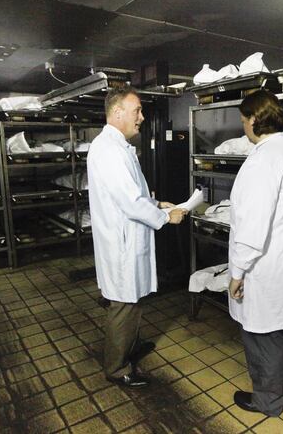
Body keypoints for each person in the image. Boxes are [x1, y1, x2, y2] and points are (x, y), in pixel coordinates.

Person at [87, 85, 188, 388]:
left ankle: (129, 346)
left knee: (133, 300)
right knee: (124, 304)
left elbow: (132, 193)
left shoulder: (117, 147)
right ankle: (117, 367)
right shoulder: (109, 150)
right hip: (121, 243)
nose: (142, 117)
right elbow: (130, 202)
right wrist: (165, 216)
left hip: (126, 236)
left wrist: (157, 203)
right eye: (137, 111)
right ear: (117, 113)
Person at [227, 90, 283, 416]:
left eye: (243, 120)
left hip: (266, 268)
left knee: (262, 338)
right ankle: (271, 396)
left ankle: (267, 401)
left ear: (254, 119)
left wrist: (237, 273)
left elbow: (252, 227)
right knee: (274, 335)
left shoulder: (263, 159)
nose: (243, 127)